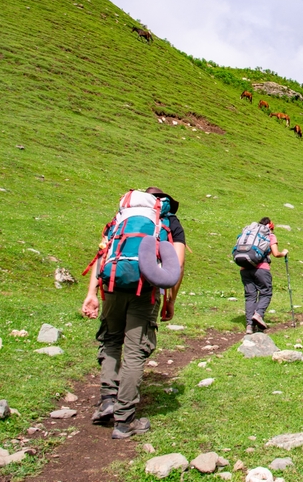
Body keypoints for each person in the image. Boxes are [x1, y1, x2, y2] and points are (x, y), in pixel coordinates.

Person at [81, 187, 185, 439]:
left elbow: (103, 253)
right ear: (163, 202)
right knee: (135, 351)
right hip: (146, 292)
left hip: (113, 286)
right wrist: (170, 299)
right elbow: (177, 264)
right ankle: (125, 419)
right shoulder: (168, 221)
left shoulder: (122, 217)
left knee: (111, 341)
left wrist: (91, 294)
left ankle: (107, 400)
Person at [237, 217, 288, 334]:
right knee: (266, 292)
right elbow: (275, 253)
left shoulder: (249, 234)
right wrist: (283, 253)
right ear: (270, 226)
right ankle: (258, 314)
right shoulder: (268, 235)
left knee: (250, 296)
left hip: (244, 268)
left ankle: (249, 326)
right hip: (261, 269)